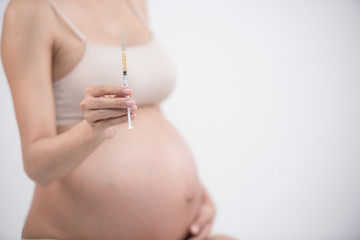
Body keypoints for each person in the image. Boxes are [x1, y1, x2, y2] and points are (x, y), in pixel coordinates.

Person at [1, 0, 235, 239]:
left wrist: (198, 195)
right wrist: (91, 132)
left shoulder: (135, 3)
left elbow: (147, 106)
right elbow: (36, 166)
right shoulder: (30, 10)